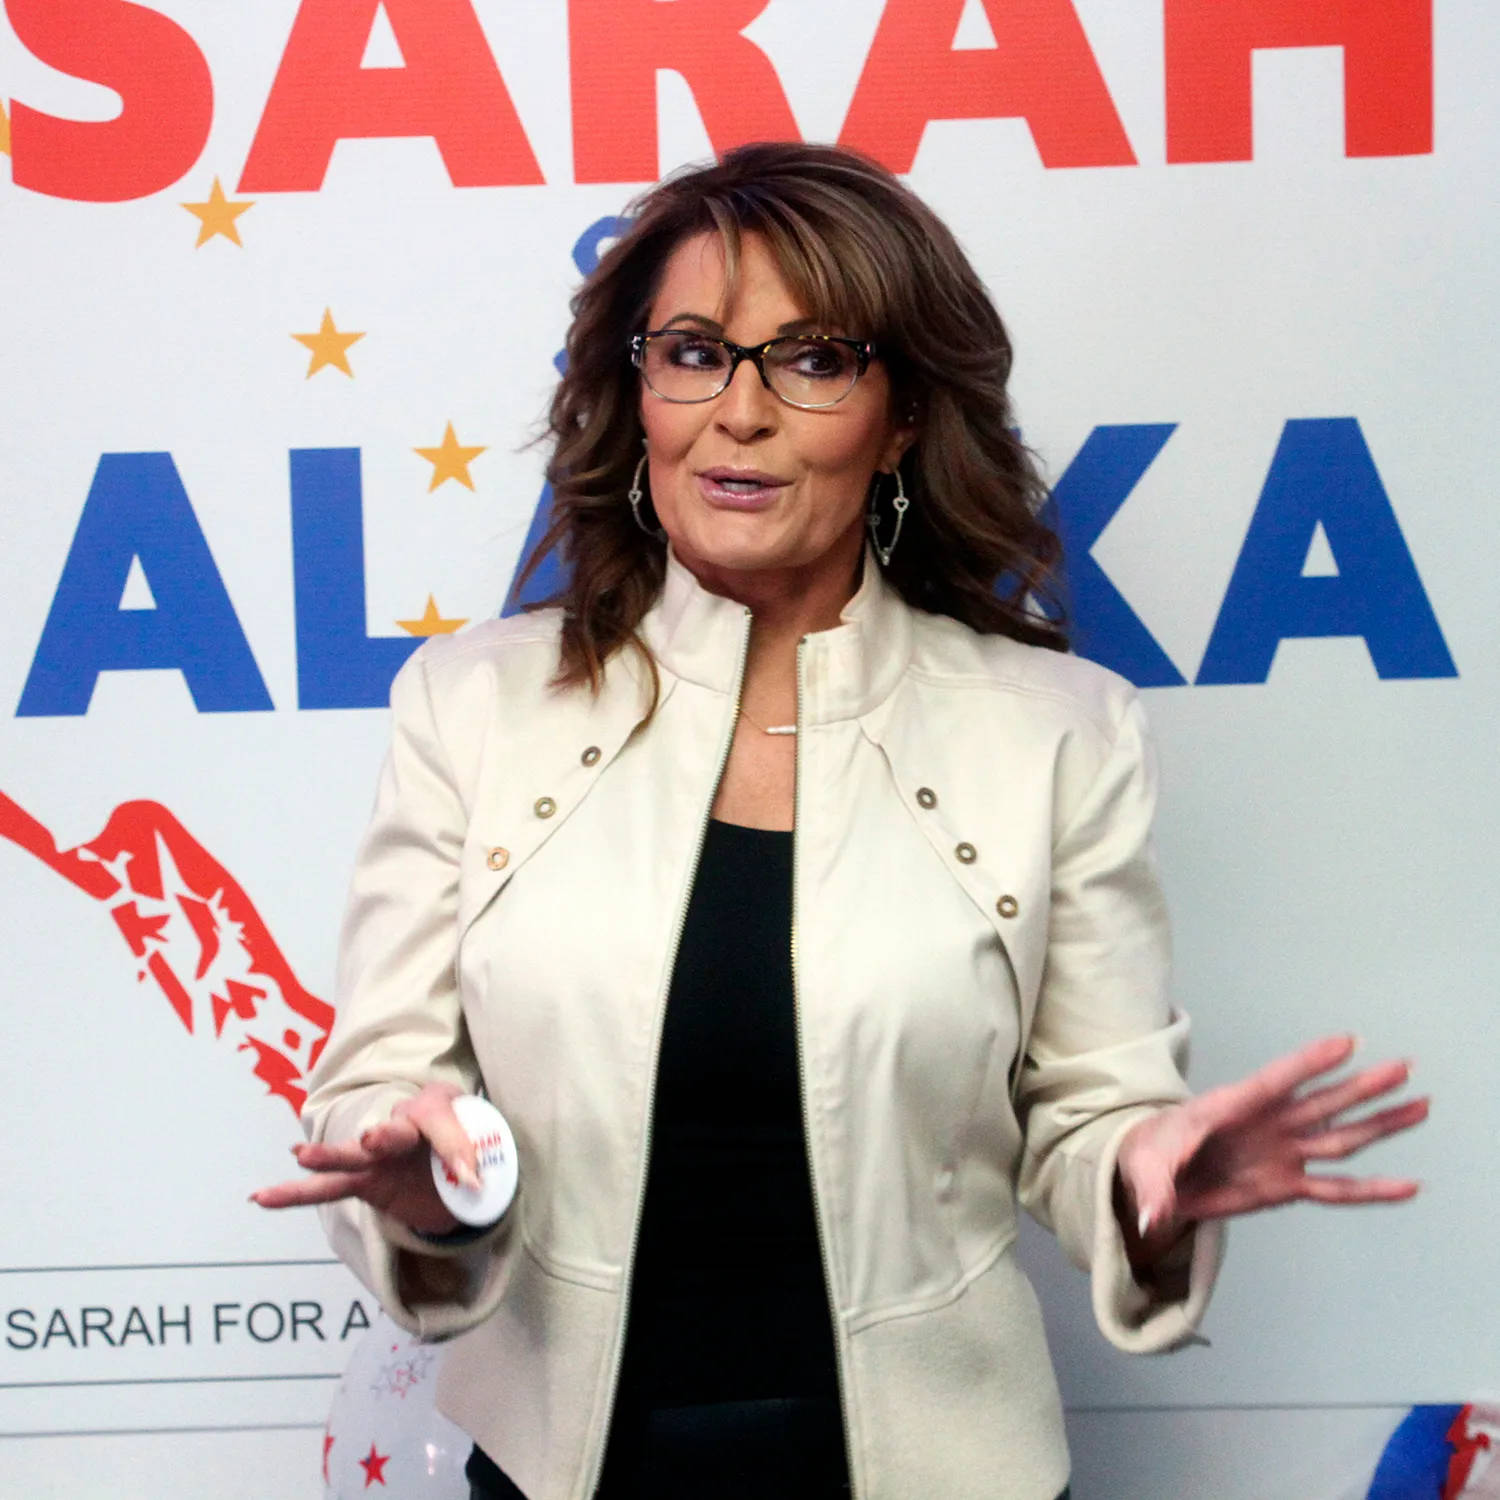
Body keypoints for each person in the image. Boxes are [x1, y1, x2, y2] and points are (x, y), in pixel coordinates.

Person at [253, 143, 1428, 1500]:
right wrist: (425, 1181)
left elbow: (1097, 1112)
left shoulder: (1062, 732)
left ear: (904, 415)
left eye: (811, 359)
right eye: (692, 351)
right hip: (558, 1469)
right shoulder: (470, 706)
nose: (738, 412)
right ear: (636, 393)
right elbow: (378, 1086)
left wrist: (1145, 1174)